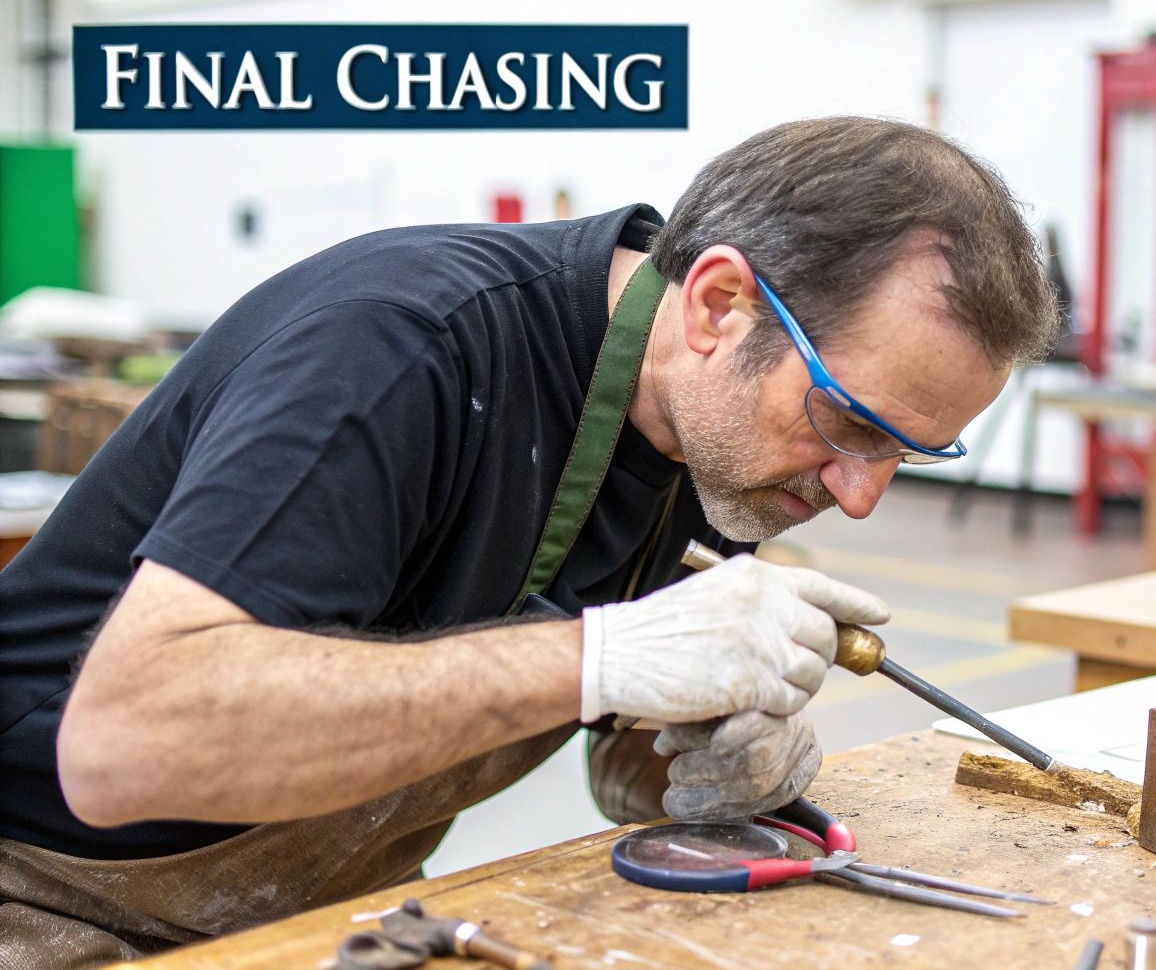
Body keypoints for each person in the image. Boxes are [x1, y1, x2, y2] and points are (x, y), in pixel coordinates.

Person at [0, 115, 1057, 964]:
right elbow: (120, 749)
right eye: (849, 423)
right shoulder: (401, 346)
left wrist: (711, 763)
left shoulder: (718, 441)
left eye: (908, 453)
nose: (859, 494)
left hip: (325, 906)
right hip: (54, 898)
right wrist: (596, 654)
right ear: (719, 305)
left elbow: (615, 757)